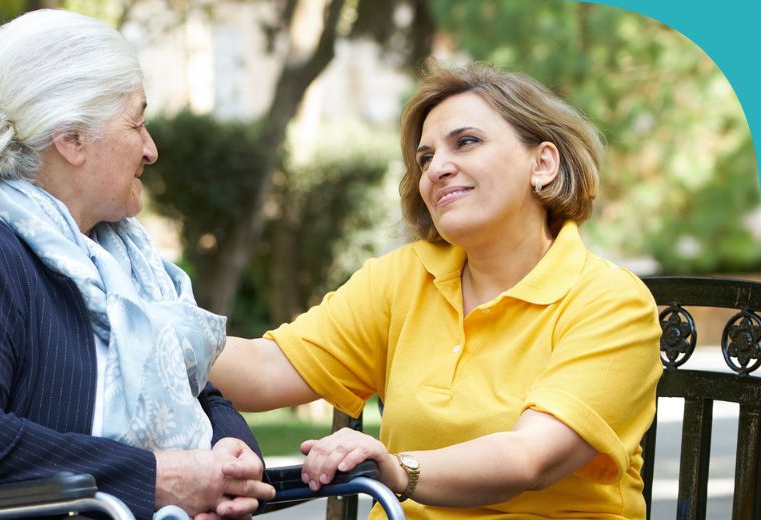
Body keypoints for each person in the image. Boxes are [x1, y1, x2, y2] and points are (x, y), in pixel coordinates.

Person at [210, 62, 662, 519]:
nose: (436, 169)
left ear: (542, 163)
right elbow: (267, 368)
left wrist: (399, 469)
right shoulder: (404, 278)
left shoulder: (611, 302)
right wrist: (147, 329)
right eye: (425, 158)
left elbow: (531, 457)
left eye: (466, 142)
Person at [0, 9, 274, 520]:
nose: (151, 150)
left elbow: (204, 396)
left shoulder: (122, 265)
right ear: (71, 139)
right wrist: (154, 477)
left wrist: (230, 459)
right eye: (136, 122)